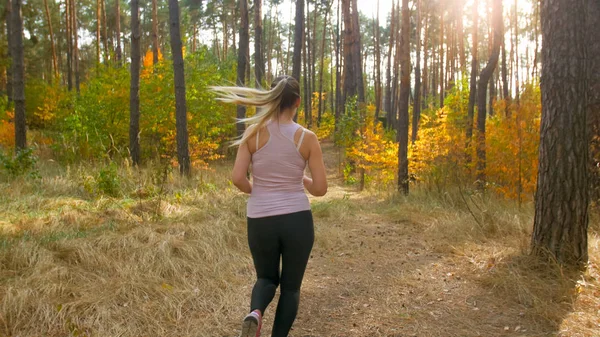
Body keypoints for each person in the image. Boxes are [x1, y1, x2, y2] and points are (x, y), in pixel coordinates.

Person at [212, 75, 327, 337]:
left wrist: (258, 192)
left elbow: (237, 178)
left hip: (260, 217)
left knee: (265, 278)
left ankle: (255, 312)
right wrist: (302, 178)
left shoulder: (252, 133)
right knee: (290, 288)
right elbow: (320, 189)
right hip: (296, 218)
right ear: (297, 102)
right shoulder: (307, 138)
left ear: (272, 99)